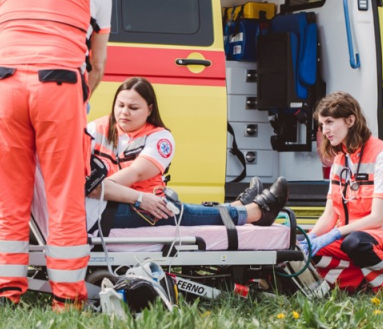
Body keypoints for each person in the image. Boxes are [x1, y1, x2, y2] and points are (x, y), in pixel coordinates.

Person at [0, 0, 111, 310]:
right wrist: (80, 97)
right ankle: (66, 298)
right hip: (60, 86)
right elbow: (97, 63)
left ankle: (4, 292)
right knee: (63, 194)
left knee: (7, 194)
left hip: (5, 84)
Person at [85, 77, 288, 232]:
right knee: (172, 209)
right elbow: (92, 188)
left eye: (133, 107)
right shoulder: (96, 129)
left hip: (132, 203)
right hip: (119, 204)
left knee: (169, 207)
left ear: (149, 109)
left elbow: (135, 174)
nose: (124, 113)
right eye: (120, 106)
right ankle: (251, 211)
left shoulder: (160, 138)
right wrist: (134, 197)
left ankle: (242, 210)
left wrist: (104, 190)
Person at [303, 92, 383, 293]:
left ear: (350, 120)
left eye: (330, 122)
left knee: (356, 243)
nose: (325, 130)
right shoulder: (340, 160)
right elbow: (330, 214)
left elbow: (377, 218)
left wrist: (334, 234)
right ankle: (363, 283)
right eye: (322, 125)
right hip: (352, 238)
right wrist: (311, 238)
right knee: (305, 253)